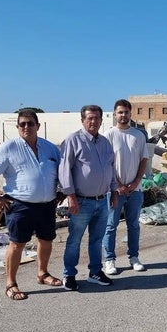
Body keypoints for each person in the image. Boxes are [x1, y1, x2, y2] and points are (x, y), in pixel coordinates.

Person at [0, 110, 63, 301]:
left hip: (47, 205)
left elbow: (63, 170)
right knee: (17, 243)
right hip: (20, 205)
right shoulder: (9, 147)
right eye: (22, 124)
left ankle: (42, 274)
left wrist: (62, 191)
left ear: (38, 126)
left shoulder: (50, 148)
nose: (27, 127)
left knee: (46, 240)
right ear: (18, 127)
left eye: (30, 123)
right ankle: (11, 283)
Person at [59, 105, 118, 291]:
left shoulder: (105, 143)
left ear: (101, 120)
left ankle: (95, 272)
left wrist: (114, 191)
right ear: (82, 120)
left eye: (97, 118)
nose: (93, 122)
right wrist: (70, 196)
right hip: (81, 201)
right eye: (89, 118)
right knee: (75, 239)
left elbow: (111, 169)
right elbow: (64, 169)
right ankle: (69, 274)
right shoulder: (73, 140)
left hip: (102, 200)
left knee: (97, 239)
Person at [102, 99, 149, 275]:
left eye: (126, 112)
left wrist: (136, 182)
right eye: (120, 112)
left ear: (131, 114)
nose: (123, 115)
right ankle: (109, 260)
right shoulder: (109, 135)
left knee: (134, 226)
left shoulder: (138, 135)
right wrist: (118, 185)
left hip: (134, 190)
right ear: (115, 114)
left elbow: (144, 159)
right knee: (110, 225)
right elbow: (106, 163)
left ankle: (134, 257)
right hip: (115, 191)